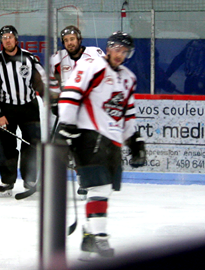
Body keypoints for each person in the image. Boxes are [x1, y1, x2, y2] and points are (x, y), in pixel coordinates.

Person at [56, 31, 145, 259]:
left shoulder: (128, 78)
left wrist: (134, 139)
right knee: (99, 188)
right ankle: (100, 238)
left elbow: (128, 114)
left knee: (103, 191)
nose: (120, 54)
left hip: (112, 141)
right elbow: (70, 95)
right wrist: (65, 125)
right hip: (87, 137)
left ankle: (88, 235)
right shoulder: (91, 67)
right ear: (108, 47)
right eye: (117, 49)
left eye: (125, 51)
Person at [0, 24, 46, 198]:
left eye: (10, 37)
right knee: (6, 147)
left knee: (32, 145)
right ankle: (7, 181)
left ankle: (30, 180)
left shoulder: (29, 58)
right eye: (4, 38)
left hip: (29, 107)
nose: (7, 40)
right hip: (7, 109)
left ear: (16, 39)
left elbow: (41, 80)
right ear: (1, 41)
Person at [48, 25, 106, 198]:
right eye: (66, 40)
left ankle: (83, 180)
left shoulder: (95, 53)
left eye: (72, 39)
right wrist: (54, 101)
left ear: (79, 39)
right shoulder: (57, 58)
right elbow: (52, 81)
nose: (69, 43)